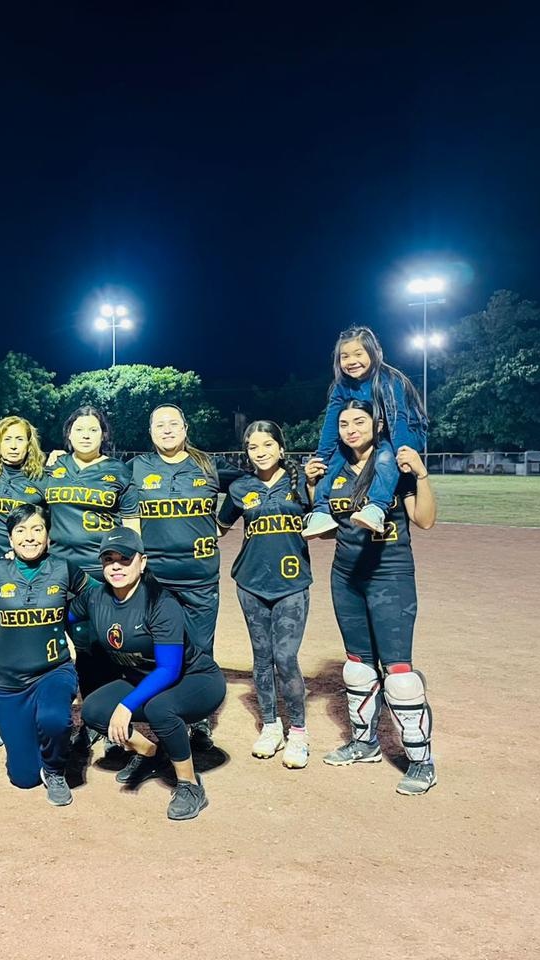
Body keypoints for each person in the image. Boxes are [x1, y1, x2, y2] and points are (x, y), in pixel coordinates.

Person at [307, 399, 439, 796]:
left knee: (399, 675)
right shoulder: (335, 470)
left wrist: (421, 474)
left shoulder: (393, 466)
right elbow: (331, 531)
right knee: (358, 668)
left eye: (359, 421)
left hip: (390, 575)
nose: (351, 429)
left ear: (377, 424)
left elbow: (425, 520)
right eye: (344, 423)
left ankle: (421, 761)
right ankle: (365, 744)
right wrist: (313, 488)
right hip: (347, 577)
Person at [71, 528, 227, 821]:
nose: (116, 566)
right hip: (142, 678)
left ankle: (190, 785)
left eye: (124, 559)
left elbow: (169, 669)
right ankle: (154, 755)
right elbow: (62, 615)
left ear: (142, 563)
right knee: (93, 710)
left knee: (159, 708)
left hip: (196, 679)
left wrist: (127, 705)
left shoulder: (161, 602)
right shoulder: (95, 597)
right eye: (108, 559)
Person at [130, 403, 241, 750]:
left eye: (173, 423)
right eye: (159, 425)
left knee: (199, 649)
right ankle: (158, 714)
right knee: (155, 650)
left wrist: (224, 520)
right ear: (150, 432)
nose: (167, 430)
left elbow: (246, 483)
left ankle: (199, 718)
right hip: (154, 580)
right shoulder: (136, 468)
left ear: (185, 428)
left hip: (199, 577)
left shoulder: (207, 465)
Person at [217, 421, 313, 768]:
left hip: (292, 583)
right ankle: (271, 727)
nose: (260, 452)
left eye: (267, 444)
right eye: (253, 447)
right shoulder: (241, 488)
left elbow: (324, 519)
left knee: (285, 657)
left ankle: (298, 732)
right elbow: (219, 527)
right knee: (261, 658)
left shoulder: (301, 482)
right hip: (250, 581)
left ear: (281, 448)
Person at [0, 503, 88, 806]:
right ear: (10, 539)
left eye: (37, 529)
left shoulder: (65, 568)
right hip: (9, 681)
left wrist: (70, 621)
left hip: (53, 670)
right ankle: (12, 720)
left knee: (54, 719)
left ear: (48, 535)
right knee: (24, 778)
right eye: (21, 530)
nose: (29, 537)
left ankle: (54, 769)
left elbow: (96, 596)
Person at [43, 405, 139, 722]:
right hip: (59, 574)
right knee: (63, 646)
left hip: (101, 576)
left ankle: (103, 721)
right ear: (68, 435)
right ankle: (71, 719)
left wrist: (132, 570)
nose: (86, 435)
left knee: (101, 648)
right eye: (79, 429)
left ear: (104, 435)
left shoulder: (119, 471)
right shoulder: (53, 468)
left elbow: (132, 527)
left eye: (93, 429)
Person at [303, 326, 427, 537]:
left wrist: (403, 453)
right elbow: (331, 424)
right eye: (345, 356)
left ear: (375, 353)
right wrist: (321, 457)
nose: (351, 361)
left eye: (358, 354)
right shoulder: (341, 386)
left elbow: (398, 419)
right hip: (371, 431)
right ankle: (321, 512)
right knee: (331, 462)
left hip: (405, 432)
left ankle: (376, 508)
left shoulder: (389, 380)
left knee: (385, 457)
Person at [0, 415, 47, 747]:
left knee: (32, 647)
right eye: (8, 439)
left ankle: (35, 710)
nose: (14, 445)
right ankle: (2, 717)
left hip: (32, 576)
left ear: (30, 444)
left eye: (20, 439)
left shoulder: (43, 479)